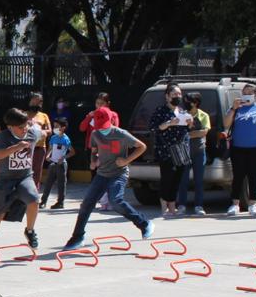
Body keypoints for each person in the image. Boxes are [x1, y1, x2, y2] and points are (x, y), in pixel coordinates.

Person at [62, 107, 154, 250]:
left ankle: (144, 224)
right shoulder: (95, 134)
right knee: (86, 204)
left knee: (116, 200)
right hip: (102, 174)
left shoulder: (121, 134)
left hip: (119, 173)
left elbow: (141, 147)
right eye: (99, 127)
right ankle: (77, 236)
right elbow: (94, 150)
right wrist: (93, 161)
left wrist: (126, 160)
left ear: (110, 120)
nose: (102, 130)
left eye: (104, 127)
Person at [0, 109, 43, 260]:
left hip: (25, 177)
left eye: (25, 126)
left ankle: (30, 231)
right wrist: (16, 147)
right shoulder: (4, 136)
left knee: (34, 199)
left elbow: (44, 132)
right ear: (11, 126)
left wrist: (37, 125)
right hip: (6, 180)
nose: (24, 130)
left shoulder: (32, 132)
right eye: (20, 127)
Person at [223, 83, 256, 216]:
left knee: (254, 175)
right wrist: (233, 109)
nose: (247, 95)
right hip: (238, 147)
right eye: (245, 92)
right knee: (238, 176)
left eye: (250, 92)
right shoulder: (236, 109)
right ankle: (235, 204)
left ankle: (253, 204)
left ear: (255, 94)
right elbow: (226, 124)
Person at [149, 83, 192, 216]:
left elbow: (187, 130)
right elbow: (154, 128)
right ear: (167, 96)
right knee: (167, 178)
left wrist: (190, 123)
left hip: (181, 150)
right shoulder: (160, 111)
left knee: (177, 178)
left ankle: (173, 205)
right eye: (174, 94)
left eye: (179, 94)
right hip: (166, 150)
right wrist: (169, 123)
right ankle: (164, 205)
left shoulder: (182, 111)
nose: (177, 97)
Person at [79, 92, 119, 210]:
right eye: (97, 103)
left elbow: (115, 130)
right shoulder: (92, 115)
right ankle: (97, 199)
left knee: (108, 174)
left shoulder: (113, 114)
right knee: (95, 175)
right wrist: (89, 117)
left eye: (102, 103)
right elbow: (82, 128)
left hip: (107, 149)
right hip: (93, 148)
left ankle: (109, 200)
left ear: (108, 104)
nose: (99, 106)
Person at [176, 93, 211, 215]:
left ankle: (199, 206)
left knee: (199, 180)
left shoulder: (203, 115)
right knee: (183, 179)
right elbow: (178, 131)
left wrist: (188, 133)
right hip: (184, 151)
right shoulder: (181, 115)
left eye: (188, 101)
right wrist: (191, 133)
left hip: (199, 151)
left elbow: (204, 132)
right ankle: (181, 205)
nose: (185, 103)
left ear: (195, 102)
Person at [40, 118, 75, 209]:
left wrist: (63, 158)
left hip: (61, 164)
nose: (54, 128)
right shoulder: (53, 138)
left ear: (63, 128)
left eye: (56, 126)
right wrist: (47, 155)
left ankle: (60, 202)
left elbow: (72, 152)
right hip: (53, 163)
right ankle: (43, 201)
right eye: (54, 126)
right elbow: (50, 148)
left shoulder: (65, 139)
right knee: (48, 183)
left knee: (61, 184)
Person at [25, 92, 52, 186]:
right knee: (25, 170)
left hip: (40, 148)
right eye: (34, 100)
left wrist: (43, 132)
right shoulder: (23, 114)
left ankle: (35, 193)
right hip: (25, 147)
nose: (36, 103)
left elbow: (50, 130)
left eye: (39, 101)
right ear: (29, 101)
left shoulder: (44, 116)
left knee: (37, 171)